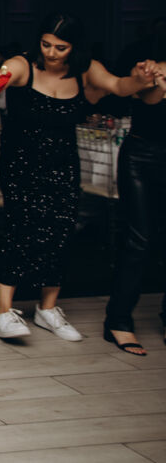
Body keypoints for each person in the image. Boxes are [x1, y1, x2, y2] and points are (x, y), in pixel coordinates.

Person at [0, 13, 155, 342]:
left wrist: (140, 79)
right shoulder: (23, 65)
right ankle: (4, 312)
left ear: (74, 47)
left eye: (60, 47)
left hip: (63, 164)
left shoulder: (86, 70)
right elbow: (0, 79)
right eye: (46, 44)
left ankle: (47, 309)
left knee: (60, 232)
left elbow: (119, 86)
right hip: (21, 164)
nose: (51, 53)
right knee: (20, 230)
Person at [104, 22, 166, 356]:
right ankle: (118, 319)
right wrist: (152, 79)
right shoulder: (146, 67)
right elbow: (148, 97)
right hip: (142, 157)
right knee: (139, 240)